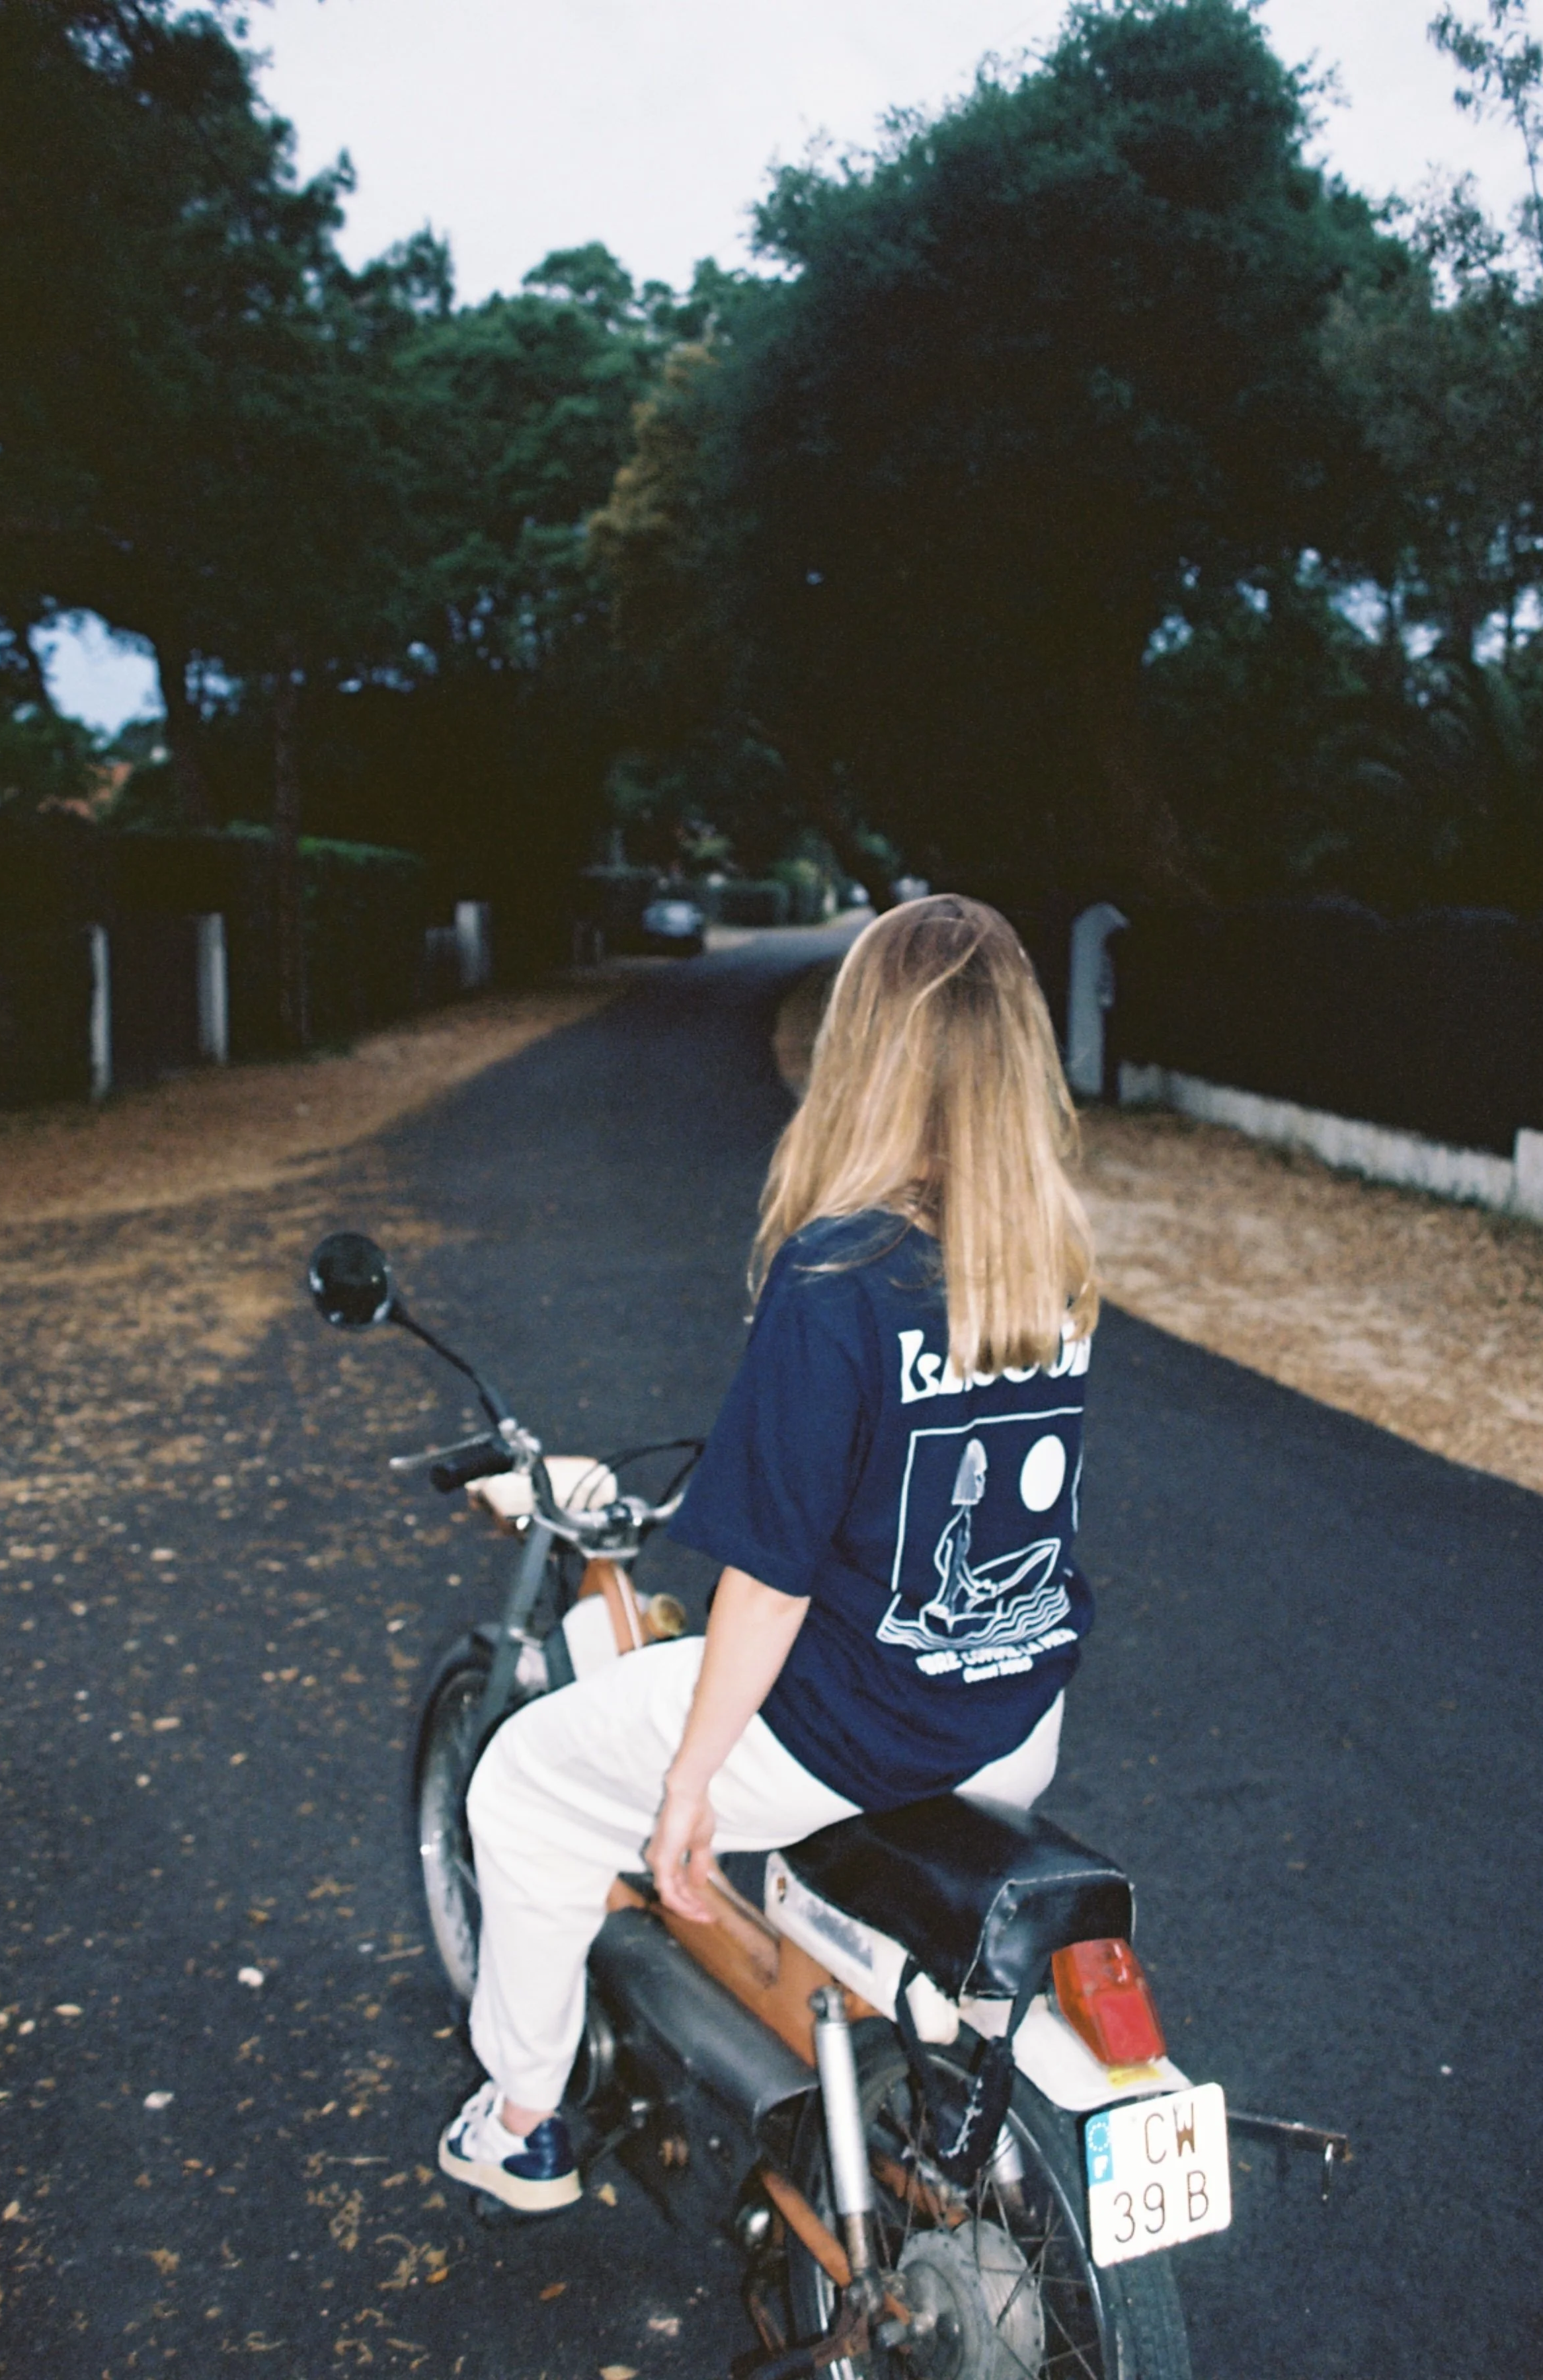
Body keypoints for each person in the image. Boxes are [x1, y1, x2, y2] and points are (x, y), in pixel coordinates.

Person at [440, 894, 1100, 2213]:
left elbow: (773, 1579)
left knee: (522, 1781)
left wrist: (687, 1785)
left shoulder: (840, 1273)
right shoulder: (1052, 1262)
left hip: (845, 1727)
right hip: (1011, 1716)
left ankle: (519, 2118)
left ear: (866, 1052)